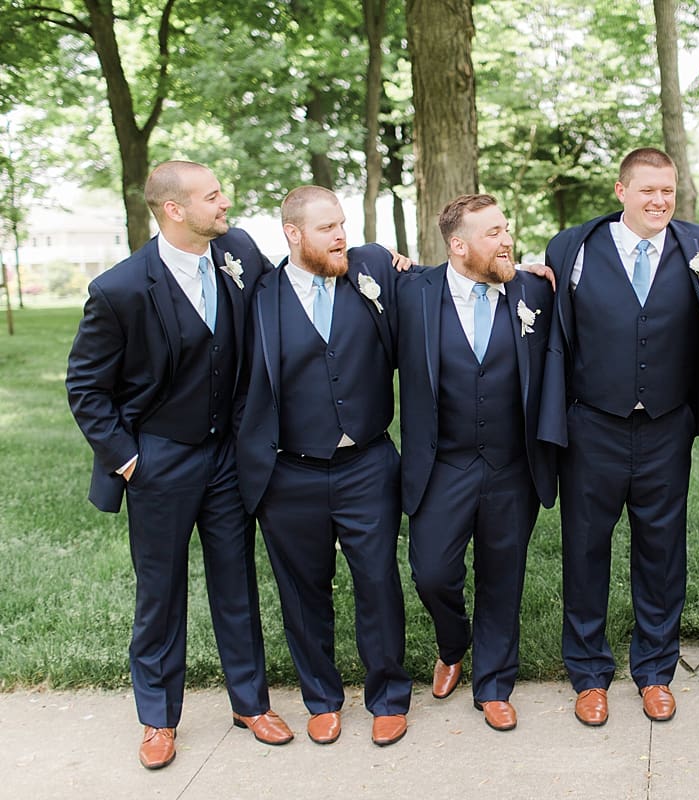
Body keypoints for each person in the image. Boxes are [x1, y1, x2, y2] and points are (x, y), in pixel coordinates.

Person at [66, 160, 293, 770]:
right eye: (213, 196)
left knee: (236, 582)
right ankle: (158, 719)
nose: (227, 203)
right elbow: (86, 388)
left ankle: (250, 703)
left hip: (228, 458)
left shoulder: (238, 251)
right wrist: (131, 462)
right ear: (175, 210)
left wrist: (386, 268)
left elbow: (289, 292)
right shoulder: (119, 290)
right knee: (160, 595)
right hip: (160, 460)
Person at [540, 147, 699, 725]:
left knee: (662, 553)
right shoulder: (571, 247)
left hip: (667, 428)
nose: (659, 201)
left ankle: (655, 671)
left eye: (668, 191)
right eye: (647, 190)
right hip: (592, 425)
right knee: (585, 551)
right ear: (621, 191)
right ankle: (590, 674)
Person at [236, 186, 411, 748]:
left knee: (378, 579)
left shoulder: (374, 269)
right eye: (326, 228)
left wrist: (522, 271)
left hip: (368, 462)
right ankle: (321, 698)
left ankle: (388, 696)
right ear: (292, 234)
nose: (341, 236)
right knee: (302, 588)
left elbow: (445, 288)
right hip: (289, 471)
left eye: (342, 224)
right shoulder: (257, 296)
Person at [396, 194, 556, 732]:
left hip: (512, 463)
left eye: (506, 228)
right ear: (458, 245)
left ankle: (494, 683)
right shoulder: (412, 293)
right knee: (432, 572)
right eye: (492, 233)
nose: (506, 239)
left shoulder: (534, 290)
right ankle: (452, 643)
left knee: (502, 576)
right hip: (444, 463)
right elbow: (359, 263)